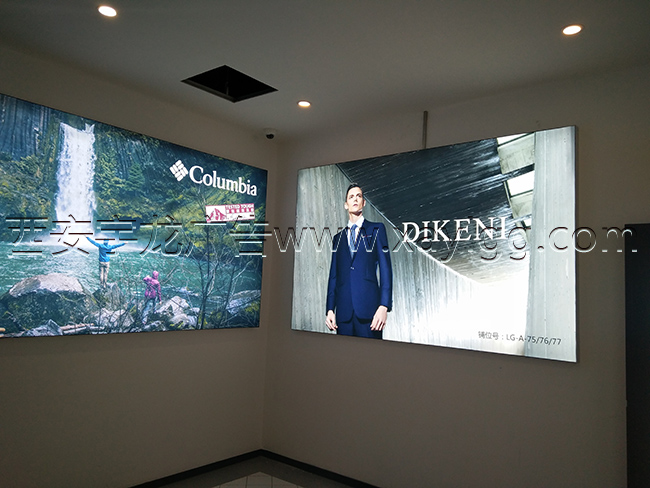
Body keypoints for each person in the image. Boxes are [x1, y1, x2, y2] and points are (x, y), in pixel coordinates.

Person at [325, 183, 392, 339]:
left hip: (370, 312)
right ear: (346, 205)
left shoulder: (377, 229)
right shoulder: (337, 239)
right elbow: (333, 275)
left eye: (359, 196)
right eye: (351, 197)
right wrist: (330, 309)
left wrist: (384, 306)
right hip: (343, 315)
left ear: (364, 203)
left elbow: (386, 270)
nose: (355, 199)